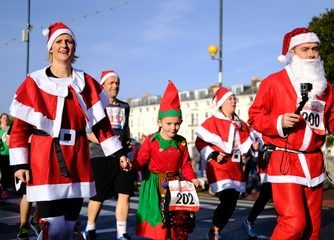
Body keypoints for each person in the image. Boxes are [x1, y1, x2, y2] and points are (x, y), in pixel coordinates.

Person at [8, 22, 129, 240]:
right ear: (50, 48)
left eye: (69, 41)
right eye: (60, 41)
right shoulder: (34, 82)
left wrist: (119, 154)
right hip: (45, 159)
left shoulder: (85, 82)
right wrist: (20, 164)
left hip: (77, 158)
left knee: (68, 226)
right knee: (53, 228)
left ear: (74, 48)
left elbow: (101, 124)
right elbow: (19, 129)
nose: (65, 45)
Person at [248, 27, 334, 239]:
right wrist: (278, 121)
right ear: (292, 53)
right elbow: (254, 116)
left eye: (315, 49)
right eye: (305, 49)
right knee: (293, 222)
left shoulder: (326, 87)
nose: (311, 54)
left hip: (313, 163)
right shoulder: (273, 82)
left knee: (312, 228)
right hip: (285, 159)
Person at [131, 80, 200, 240]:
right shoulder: (151, 141)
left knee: (177, 224)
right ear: (159, 123)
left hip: (176, 185)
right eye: (169, 123)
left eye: (177, 124)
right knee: (159, 224)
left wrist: (192, 178)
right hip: (154, 186)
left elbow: (186, 164)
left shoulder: (181, 142)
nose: (173, 128)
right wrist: (130, 166)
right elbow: (140, 161)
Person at [195, 87, 259, 240]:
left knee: (232, 203)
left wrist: (253, 146)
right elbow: (199, 142)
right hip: (219, 167)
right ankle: (215, 232)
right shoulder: (212, 121)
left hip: (235, 167)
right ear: (222, 103)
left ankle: (215, 229)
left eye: (234, 98)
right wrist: (213, 154)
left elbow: (248, 142)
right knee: (227, 198)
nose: (234, 101)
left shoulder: (241, 124)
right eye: (230, 98)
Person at [83, 70, 134, 240]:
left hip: (122, 156)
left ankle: (121, 233)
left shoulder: (124, 106)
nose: (115, 86)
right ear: (102, 85)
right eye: (111, 83)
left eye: (117, 83)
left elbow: (125, 130)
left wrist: (128, 142)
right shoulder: (95, 106)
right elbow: (87, 133)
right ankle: (89, 228)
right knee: (98, 196)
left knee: (124, 193)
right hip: (99, 155)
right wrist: (107, 143)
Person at [0, 113, 12, 199]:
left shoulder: (10, 129)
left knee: (5, 173)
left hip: (8, 154)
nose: (5, 119)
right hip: (0, 154)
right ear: (0, 119)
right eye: (3, 118)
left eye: (6, 118)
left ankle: (4, 190)